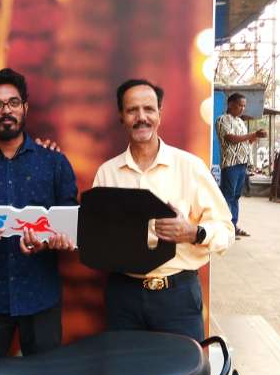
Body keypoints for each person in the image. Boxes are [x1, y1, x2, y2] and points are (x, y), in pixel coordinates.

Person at [92, 79, 233, 341]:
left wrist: (194, 232)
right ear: (121, 116)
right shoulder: (107, 173)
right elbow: (96, 235)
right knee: (126, 367)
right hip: (123, 296)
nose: (141, 117)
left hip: (178, 297)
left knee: (183, 367)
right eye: (132, 110)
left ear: (160, 113)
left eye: (149, 109)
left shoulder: (190, 167)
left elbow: (226, 230)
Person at [0, 68, 77, 357]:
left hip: (41, 296)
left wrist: (49, 241)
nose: (6, 111)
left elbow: (71, 225)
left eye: (13, 103)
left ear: (25, 107)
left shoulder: (54, 163)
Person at [216, 93, 267, 237]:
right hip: (231, 163)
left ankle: (233, 226)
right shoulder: (222, 119)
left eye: (244, 106)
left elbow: (246, 141)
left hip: (242, 163)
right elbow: (230, 138)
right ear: (230, 104)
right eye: (240, 105)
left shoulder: (240, 122)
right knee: (228, 196)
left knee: (236, 196)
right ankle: (223, 227)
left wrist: (256, 137)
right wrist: (252, 134)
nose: (242, 108)